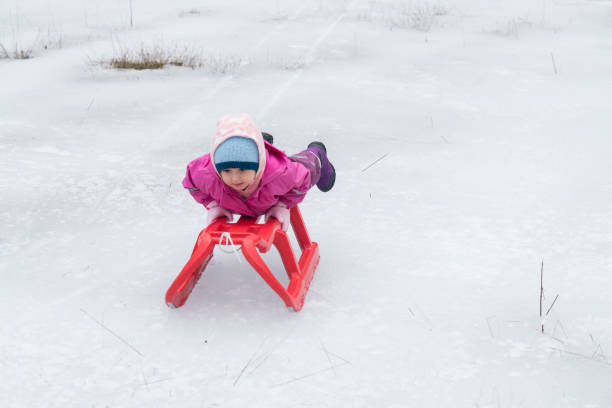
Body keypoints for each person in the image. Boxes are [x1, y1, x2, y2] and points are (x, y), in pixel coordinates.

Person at [182, 113, 336, 231]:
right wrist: (213, 205)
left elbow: (302, 179)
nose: (235, 178)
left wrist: (282, 205)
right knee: (246, 157)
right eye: (227, 170)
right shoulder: (206, 174)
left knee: (307, 165)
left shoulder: (280, 173)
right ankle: (261, 142)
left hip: (271, 169)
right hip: (256, 165)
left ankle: (317, 153)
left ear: (257, 165)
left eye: (242, 169)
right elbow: (191, 182)